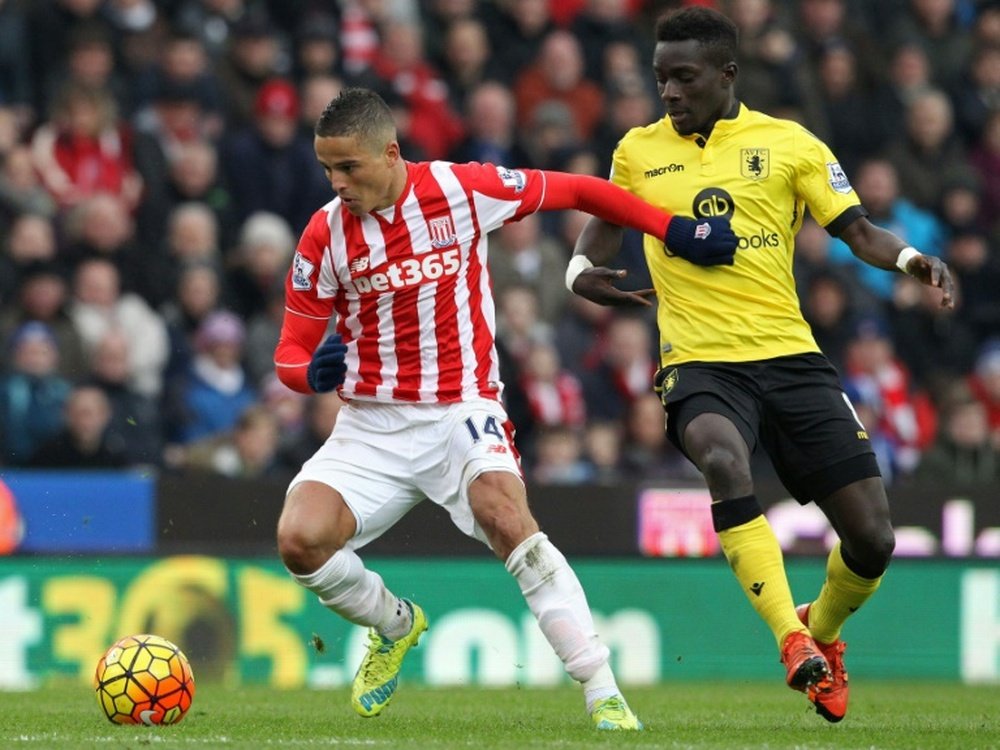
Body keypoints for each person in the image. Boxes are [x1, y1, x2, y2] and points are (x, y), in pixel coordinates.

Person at [273, 87, 737, 731]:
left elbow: (579, 190)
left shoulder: (462, 191)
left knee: (505, 513)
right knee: (299, 542)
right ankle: (394, 625)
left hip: (461, 407)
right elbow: (291, 354)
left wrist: (673, 229)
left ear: (391, 152)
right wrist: (310, 373)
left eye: (348, 167)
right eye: (327, 168)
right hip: (370, 425)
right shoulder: (324, 234)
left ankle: (603, 693)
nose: (337, 182)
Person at [567, 7, 955, 724]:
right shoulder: (637, 151)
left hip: (791, 357)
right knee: (720, 457)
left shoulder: (790, 144)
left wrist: (911, 260)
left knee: (873, 538)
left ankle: (823, 631)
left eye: (684, 77)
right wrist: (580, 274)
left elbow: (857, 229)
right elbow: (595, 236)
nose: (670, 92)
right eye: (661, 79)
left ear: (727, 75)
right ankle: (790, 638)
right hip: (700, 361)